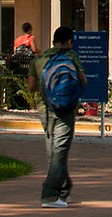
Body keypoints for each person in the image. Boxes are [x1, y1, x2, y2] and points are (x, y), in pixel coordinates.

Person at [32, 25, 86, 207]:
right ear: (70, 41)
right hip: (65, 109)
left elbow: (31, 87)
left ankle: (64, 188)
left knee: (53, 153)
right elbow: (83, 81)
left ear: (53, 40)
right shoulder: (72, 56)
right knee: (60, 152)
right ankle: (50, 196)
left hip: (45, 110)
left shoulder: (39, 59)